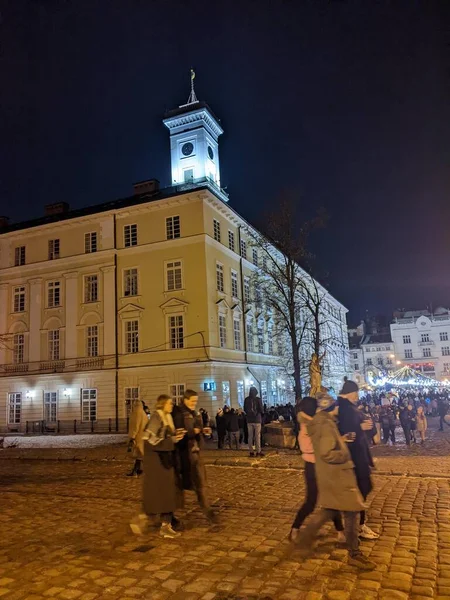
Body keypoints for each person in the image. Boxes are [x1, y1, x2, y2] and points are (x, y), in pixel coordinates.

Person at [295, 392, 375, 571]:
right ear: (331, 408)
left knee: (331, 511)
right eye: (336, 406)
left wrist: (342, 441)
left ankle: (304, 540)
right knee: (352, 511)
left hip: (334, 475)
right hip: (336, 475)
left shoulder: (325, 422)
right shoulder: (324, 424)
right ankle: (354, 554)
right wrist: (344, 452)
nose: (339, 408)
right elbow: (326, 452)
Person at [289, 396, 345, 543]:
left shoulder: (314, 423)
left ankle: (340, 531)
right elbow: (308, 447)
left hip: (320, 465)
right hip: (313, 466)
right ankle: (295, 528)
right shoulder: (308, 426)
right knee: (312, 502)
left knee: (330, 499)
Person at [130, 394, 185, 538]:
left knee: (163, 494)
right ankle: (163, 526)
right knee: (164, 494)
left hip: (165, 460)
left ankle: (153, 521)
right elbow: (150, 438)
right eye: (169, 403)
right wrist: (172, 439)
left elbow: (165, 435)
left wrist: (176, 434)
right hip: (158, 462)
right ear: (162, 404)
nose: (171, 405)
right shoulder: (157, 417)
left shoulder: (167, 417)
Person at [337, 380, 379, 540]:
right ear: (351, 393)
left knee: (362, 491)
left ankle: (355, 525)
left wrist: (364, 428)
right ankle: (357, 526)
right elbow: (347, 434)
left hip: (358, 457)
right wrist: (361, 428)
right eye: (356, 393)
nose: (357, 396)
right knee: (361, 491)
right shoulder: (345, 409)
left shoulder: (348, 407)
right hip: (354, 458)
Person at [172, 389, 217, 524]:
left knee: (201, 483)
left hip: (195, 453)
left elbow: (198, 428)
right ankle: (168, 516)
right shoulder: (179, 413)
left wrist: (203, 431)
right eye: (192, 401)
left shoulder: (195, 413)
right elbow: (178, 434)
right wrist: (193, 431)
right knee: (177, 488)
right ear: (185, 400)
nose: (194, 403)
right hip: (182, 455)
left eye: (195, 401)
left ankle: (207, 510)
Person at [127, 399, 149, 477]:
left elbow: (135, 425)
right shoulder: (142, 413)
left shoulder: (137, 413)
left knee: (140, 454)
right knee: (139, 454)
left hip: (138, 436)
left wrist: (132, 436)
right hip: (142, 436)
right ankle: (137, 470)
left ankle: (137, 471)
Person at [244, 386, 264, 457]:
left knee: (250, 436)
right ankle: (258, 451)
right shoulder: (258, 399)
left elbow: (245, 409)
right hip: (257, 420)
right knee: (257, 436)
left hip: (249, 420)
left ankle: (251, 451)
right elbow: (261, 409)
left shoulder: (246, 399)